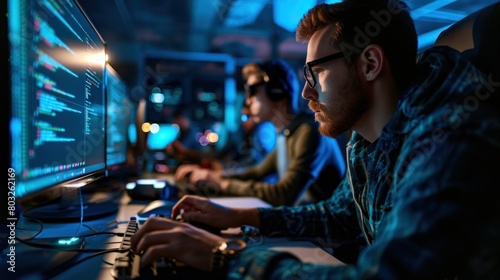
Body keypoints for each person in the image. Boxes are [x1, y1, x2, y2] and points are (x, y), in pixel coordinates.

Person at [130, 0, 500, 278]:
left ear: (370, 64)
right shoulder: (367, 139)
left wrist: (226, 255)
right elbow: (338, 216)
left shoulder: (449, 139)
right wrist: (235, 215)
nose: (306, 95)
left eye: (316, 73)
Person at [174, 58, 346, 206]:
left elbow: (283, 195)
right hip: (306, 232)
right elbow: (256, 172)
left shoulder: (309, 132)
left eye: (253, 92)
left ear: (277, 90)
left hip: (326, 241)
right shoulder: (288, 134)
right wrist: (213, 176)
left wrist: (222, 184)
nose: (248, 102)